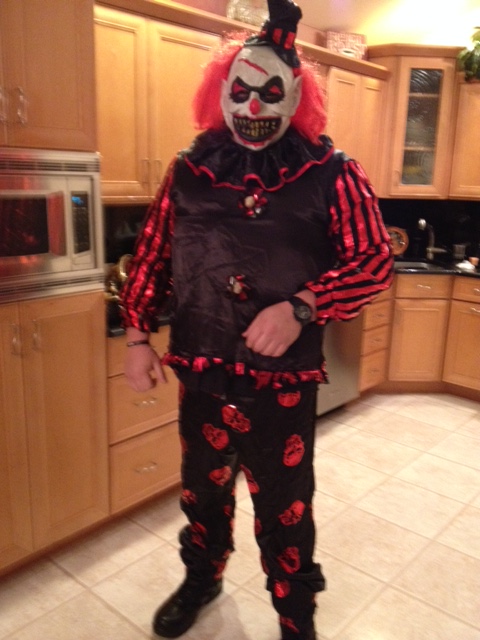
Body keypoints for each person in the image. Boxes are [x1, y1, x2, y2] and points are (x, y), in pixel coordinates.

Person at [120, 1, 394, 638]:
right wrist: (136, 335)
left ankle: (295, 616)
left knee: (284, 506)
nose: (252, 105)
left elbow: (374, 260)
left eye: (271, 93)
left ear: (296, 97)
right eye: (240, 90)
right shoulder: (188, 171)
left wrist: (303, 305)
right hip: (203, 369)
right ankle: (202, 578)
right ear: (221, 92)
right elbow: (153, 255)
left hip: (282, 380)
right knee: (203, 491)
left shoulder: (332, 173)